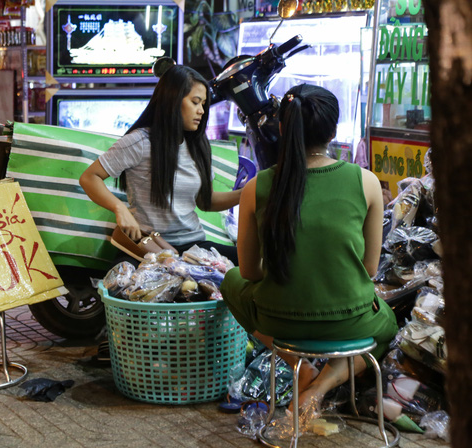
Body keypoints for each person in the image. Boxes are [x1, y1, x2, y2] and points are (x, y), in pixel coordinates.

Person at [220, 83, 398, 410]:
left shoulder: (256, 186)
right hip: (351, 322)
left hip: (278, 322)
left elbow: (248, 272)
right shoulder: (366, 182)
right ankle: (321, 386)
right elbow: (370, 269)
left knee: (231, 281)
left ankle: (300, 370)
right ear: (333, 132)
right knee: (387, 326)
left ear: (284, 129)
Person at [79, 64, 241, 267]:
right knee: (127, 284)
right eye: (195, 102)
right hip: (149, 247)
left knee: (256, 262)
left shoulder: (198, 145)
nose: (201, 111)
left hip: (194, 246)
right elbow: (89, 178)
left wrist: (247, 193)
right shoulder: (140, 141)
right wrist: (119, 208)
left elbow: (205, 202)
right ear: (172, 100)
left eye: (204, 104)